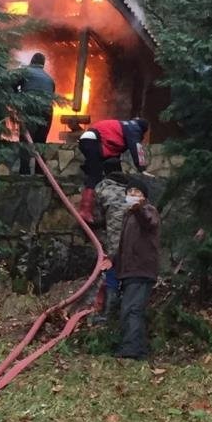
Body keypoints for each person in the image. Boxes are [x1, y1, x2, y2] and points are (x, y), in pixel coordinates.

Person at [113, 176, 159, 360]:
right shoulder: (128, 216)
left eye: (136, 192)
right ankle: (135, 348)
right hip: (129, 270)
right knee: (129, 309)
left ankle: (132, 349)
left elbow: (149, 222)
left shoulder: (148, 211)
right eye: (129, 192)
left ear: (144, 196)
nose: (132, 195)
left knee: (132, 309)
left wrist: (138, 208)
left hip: (142, 269)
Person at [77, 117, 149, 221]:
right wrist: (142, 169)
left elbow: (114, 155)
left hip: (89, 140)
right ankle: (85, 210)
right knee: (95, 174)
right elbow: (136, 147)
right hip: (94, 141)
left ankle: (103, 209)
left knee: (111, 174)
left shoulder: (124, 126)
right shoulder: (134, 128)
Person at [92, 164, 131, 319]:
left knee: (112, 269)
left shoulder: (102, 188)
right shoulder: (132, 188)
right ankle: (125, 310)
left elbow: (97, 217)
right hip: (134, 238)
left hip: (114, 239)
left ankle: (109, 312)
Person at [16, 52, 56, 176]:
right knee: (40, 140)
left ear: (31, 62)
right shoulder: (49, 78)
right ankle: (40, 171)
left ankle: (24, 171)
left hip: (29, 107)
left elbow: (11, 85)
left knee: (26, 139)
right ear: (43, 65)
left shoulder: (25, 72)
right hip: (47, 111)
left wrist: (17, 98)